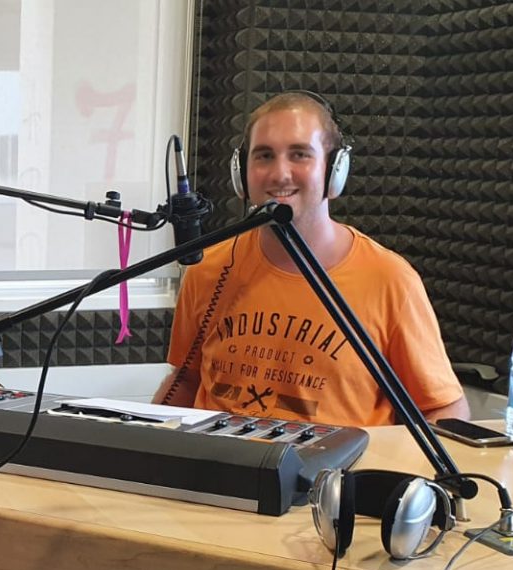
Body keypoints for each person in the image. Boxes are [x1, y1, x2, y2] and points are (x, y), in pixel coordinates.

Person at [154, 92, 468, 427]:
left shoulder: (390, 280)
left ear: (335, 170)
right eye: (264, 156)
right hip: (223, 458)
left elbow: (443, 408)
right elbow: (185, 381)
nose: (280, 174)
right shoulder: (208, 269)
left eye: (300, 154)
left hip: (337, 462)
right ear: (241, 172)